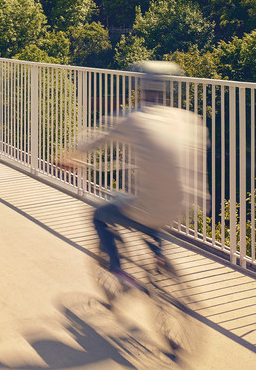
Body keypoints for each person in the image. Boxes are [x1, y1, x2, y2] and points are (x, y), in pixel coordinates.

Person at [58, 60, 206, 292]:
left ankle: (117, 269)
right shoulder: (188, 119)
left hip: (147, 207)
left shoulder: (134, 117)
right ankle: (159, 258)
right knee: (155, 216)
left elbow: (98, 136)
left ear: (142, 85)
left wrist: (72, 155)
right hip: (181, 208)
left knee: (99, 214)